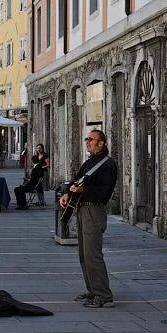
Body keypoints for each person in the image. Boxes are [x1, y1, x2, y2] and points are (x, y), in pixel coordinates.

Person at [59, 130, 118, 309]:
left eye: (91, 140)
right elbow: (77, 181)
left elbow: (104, 191)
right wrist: (66, 193)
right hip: (82, 209)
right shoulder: (90, 162)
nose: (88, 142)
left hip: (94, 209)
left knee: (93, 255)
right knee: (84, 255)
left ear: (102, 143)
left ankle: (103, 295)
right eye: (87, 139)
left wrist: (83, 191)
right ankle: (92, 289)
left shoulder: (108, 164)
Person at [14, 144, 50, 210]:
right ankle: (22, 204)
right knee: (18, 189)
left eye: (39, 148)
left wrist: (41, 167)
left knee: (17, 189)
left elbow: (33, 180)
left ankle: (22, 205)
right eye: (37, 148)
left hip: (32, 185)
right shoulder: (35, 168)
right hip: (32, 183)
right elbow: (32, 179)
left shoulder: (37, 168)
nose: (38, 149)